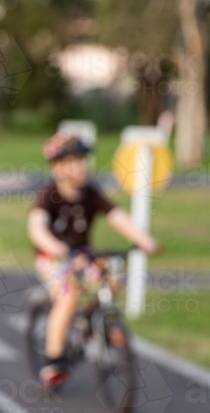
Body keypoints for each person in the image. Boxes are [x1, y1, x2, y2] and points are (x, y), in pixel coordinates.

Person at [27, 133, 160, 389]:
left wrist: (144, 241)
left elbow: (117, 217)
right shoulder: (49, 195)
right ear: (58, 168)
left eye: (84, 160)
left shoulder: (91, 193)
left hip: (82, 255)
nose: (82, 167)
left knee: (112, 281)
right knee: (68, 297)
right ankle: (54, 360)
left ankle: (93, 324)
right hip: (53, 258)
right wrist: (53, 246)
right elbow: (37, 226)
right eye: (74, 162)